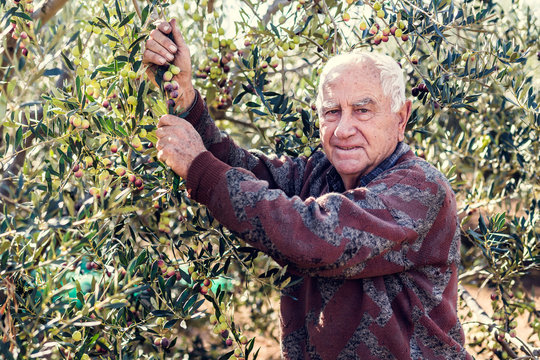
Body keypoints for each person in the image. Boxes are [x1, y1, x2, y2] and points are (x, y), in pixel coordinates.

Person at [143, 19, 472, 360]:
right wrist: (183, 95)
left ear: (401, 118)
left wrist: (198, 166)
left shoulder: (419, 188)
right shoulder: (318, 175)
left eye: (362, 110)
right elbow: (243, 168)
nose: (344, 129)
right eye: (332, 111)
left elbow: (315, 237)